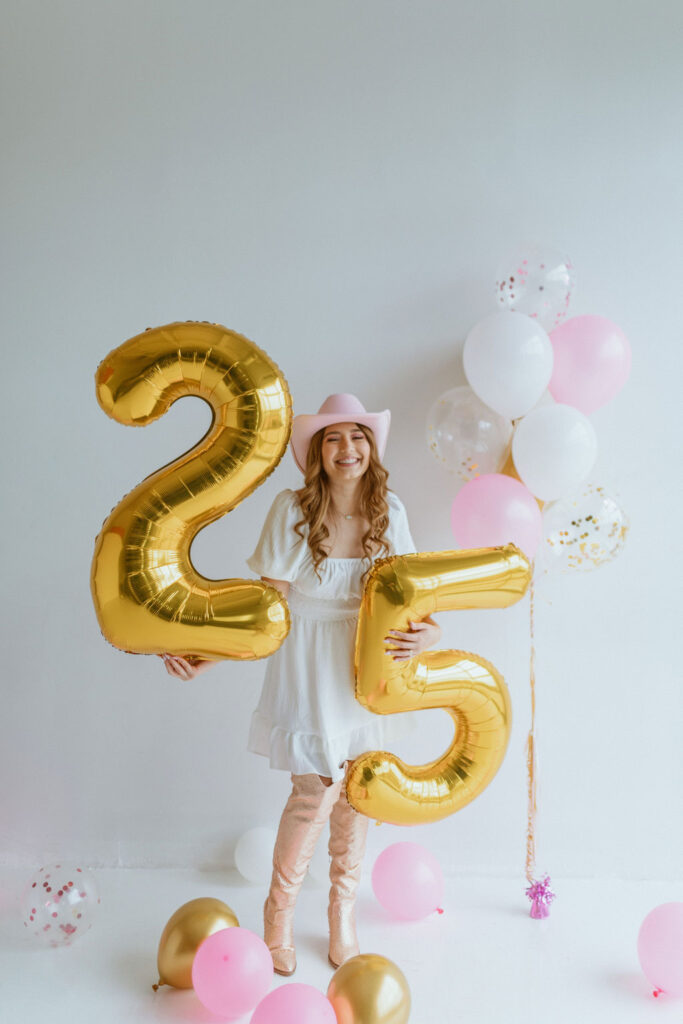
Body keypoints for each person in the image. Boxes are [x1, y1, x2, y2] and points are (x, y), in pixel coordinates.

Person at [162, 393, 441, 975]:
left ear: (372, 448)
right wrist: (209, 655)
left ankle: (342, 914)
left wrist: (428, 637)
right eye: (334, 438)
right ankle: (279, 915)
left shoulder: (391, 509)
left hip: (365, 664)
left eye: (358, 437)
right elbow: (268, 607)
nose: (348, 449)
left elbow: (416, 599)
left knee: (359, 793)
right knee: (315, 789)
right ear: (317, 452)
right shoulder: (291, 508)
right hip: (308, 662)